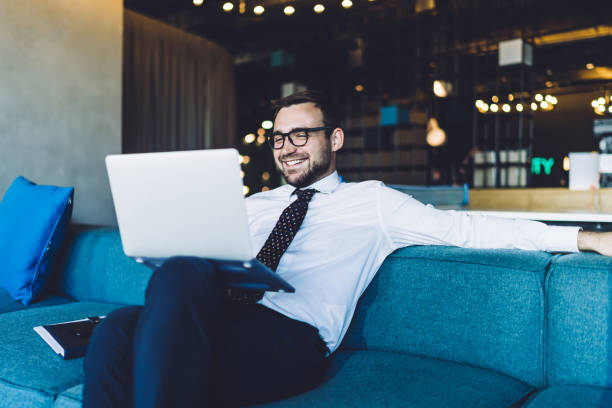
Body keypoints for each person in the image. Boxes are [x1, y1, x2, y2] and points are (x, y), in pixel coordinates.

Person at [83, 90, 612, 408]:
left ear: (334, 139)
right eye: (278, 138)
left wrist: (582, 238)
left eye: (301, 135)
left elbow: (468, 230)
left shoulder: (373, 203)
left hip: (290, 341)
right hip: (220, 322)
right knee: (116, 327)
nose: (286, 147)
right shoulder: (253, 203)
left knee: (174, 282)